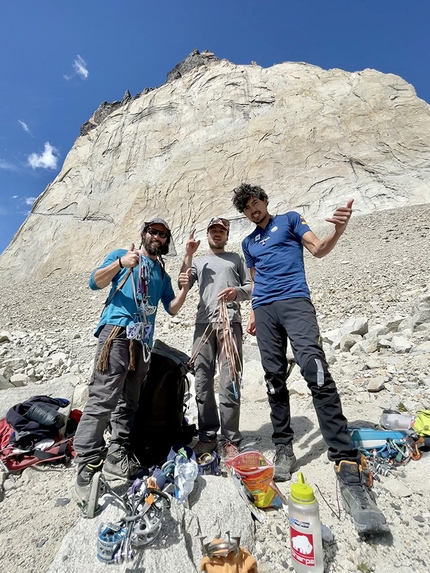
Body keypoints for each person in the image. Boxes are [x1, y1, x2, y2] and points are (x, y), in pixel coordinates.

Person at [232, 183, 387, 534]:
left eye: (256, 204)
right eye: (247, 210)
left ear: (265, 201)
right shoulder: (248, 243)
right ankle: (284, 446)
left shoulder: (289, 220)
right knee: (273, 379)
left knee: (315, 370)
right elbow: (256, 282)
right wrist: (255, 313)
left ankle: (344, 459)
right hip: (265, 308)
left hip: (295, 301)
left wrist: (339, 229)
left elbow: (317, 249)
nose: (254, 212)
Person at [73, 217, 191, 512]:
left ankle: (117, 452)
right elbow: (94, 282)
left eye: (163, 235)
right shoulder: (123, 256)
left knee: (130, 401)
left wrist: (185, 290)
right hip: (117, 331)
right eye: (153, 232)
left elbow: (172, 310)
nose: (158, 237)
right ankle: (86, 461)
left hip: (143, 342)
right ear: (144, 234)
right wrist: (122, 263)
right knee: (104, 395)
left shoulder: (161, 273)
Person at [181, 217, 251, 460]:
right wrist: (188, 254)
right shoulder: (199, 261)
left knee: (230, 379)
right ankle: (208, 435)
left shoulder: (236, 259)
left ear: (227, 235)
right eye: (213, 230)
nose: (217, 234)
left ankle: (231, 439)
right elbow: (183, 283)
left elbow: (252, 287)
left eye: (221, 231)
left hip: (230, 323)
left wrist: (236, 292)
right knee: (202, 379)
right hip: (204, 324)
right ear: (208, 234)